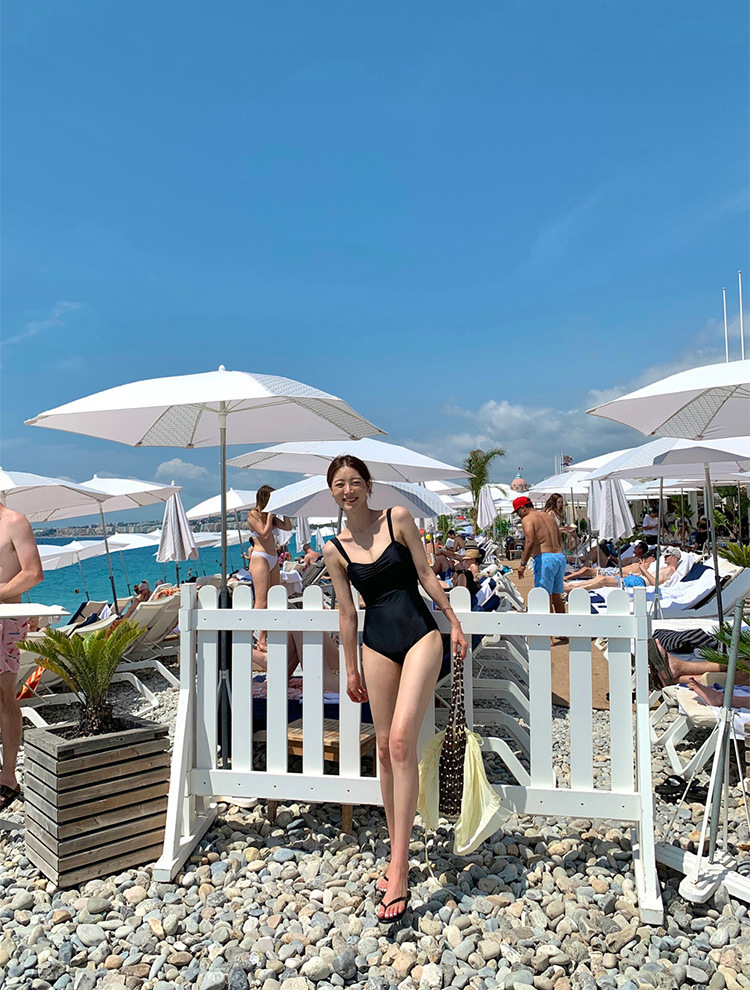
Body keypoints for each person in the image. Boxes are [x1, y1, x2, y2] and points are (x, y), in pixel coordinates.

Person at [323, 454, 468, 923]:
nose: (348, 490)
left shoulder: (397, 518)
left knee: (403, 742)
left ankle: (400, 867)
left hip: (421, 634)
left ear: (368, 485)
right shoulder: (334, 549)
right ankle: (396, 848)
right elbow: (347, 612)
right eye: (339, 484)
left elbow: (425, 575)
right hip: (377, 644)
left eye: (355, 482)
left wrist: (453, 621)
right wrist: (350, 669)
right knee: (384, 748)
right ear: (332, 492)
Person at [0, 504, 43, 811]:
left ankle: (8, 776)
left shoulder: (15, 522)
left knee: (4, 696)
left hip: (6, 620)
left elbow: (33, 573)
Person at [247, 486, 293, 649]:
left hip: (272, 558)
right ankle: (246, 635)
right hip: (260, 558)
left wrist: (284, 510)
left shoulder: (270, 517)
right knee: (261, 601)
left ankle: (262, 639)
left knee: (273, 598)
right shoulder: (253, 514)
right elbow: (265, 534)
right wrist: (271, 515)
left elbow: (288, 527)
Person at [514, 496, 566, 615]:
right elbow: (559, 538)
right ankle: (563, 626)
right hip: (559, 557)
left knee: (544, 597)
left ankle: (549, 627)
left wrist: (523, 564)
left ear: (523, 508)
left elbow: (530, 541)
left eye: (517, 512)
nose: (518, 515)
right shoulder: (549, 517)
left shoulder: (527, 519)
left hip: (544, 558)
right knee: (557, 596)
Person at [564, 547, 682, 594]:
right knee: (600, 578)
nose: (665, 558)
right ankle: (572, 586)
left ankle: (572, 589)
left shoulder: (670, 570)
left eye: (667, 556)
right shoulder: (664, 568)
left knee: (603, 580)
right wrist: (639, 572)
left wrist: (643, 570)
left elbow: (656, 583)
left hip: (639, 582)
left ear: (674, 558)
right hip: (636, 578)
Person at [566, 540, 654, 582]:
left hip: (614, 569)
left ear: (641, 550)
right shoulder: (633, 557)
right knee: (597, 549)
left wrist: (615, 560)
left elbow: (628, 569)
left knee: (597, 550)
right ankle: (582, 567)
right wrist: (613, 558)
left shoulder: (638, 560)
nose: (634, 547)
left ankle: (580, 569)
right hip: (613, 565)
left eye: (637, 547)